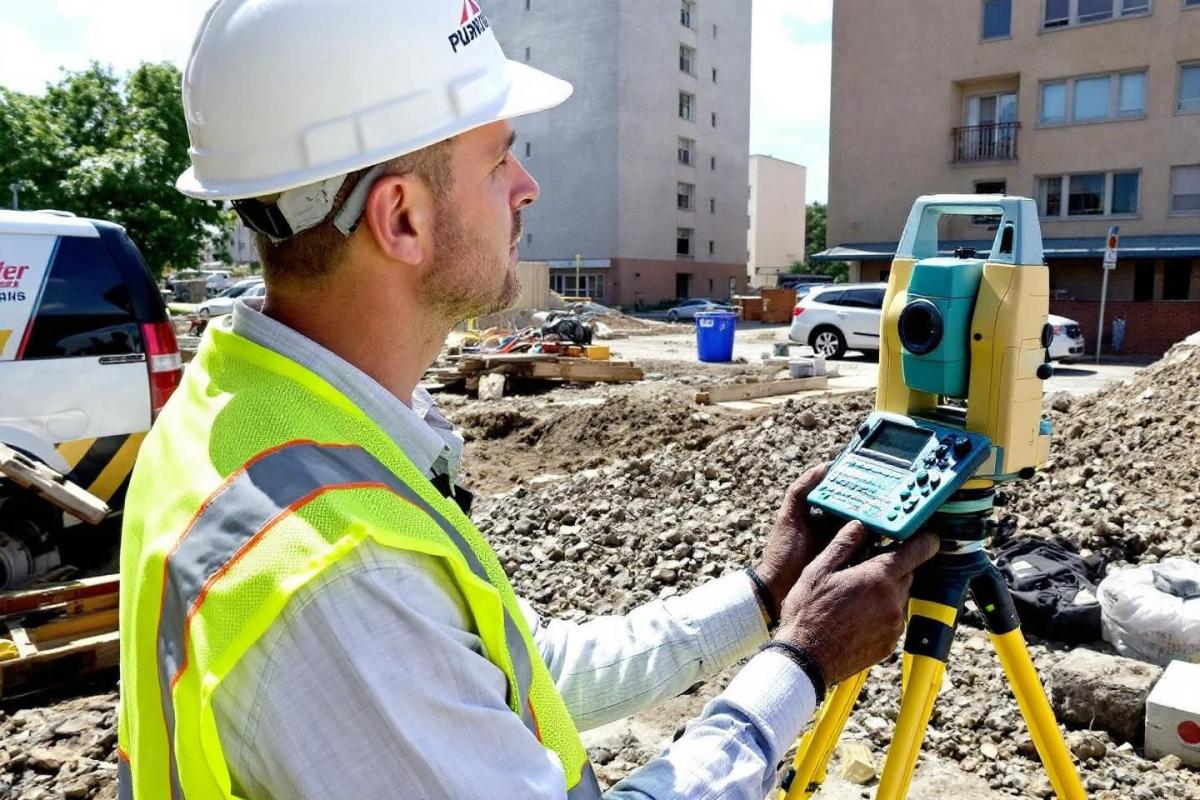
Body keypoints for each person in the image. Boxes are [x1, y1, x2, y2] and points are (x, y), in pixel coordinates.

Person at [115, 1, 939, 798]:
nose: (528, 186)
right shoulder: (333, 577)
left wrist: (762, 597)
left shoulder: (243, 413)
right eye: (499, 159)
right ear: (400, 217)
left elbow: (508, 679)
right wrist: (798, 668)